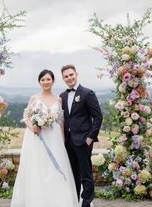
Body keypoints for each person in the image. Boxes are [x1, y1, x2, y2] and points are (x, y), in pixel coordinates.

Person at [11, 69, 78, 207]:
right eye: (43, 80)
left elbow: (61, 122)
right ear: (39, 82)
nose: (45, 82)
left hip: (54, 140)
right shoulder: (34, 98)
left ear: (53, 81)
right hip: (37, 139)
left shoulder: (58, 99)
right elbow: (26, 117)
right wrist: (33, 127)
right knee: (38, 169)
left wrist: (63, 141)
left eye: (48, 79)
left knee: (54, 171)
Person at [60, 64, 103, 207]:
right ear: (63, 78)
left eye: (71, 74)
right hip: (68, 141)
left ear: (76, 74)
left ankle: (86, 202)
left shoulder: (87, 93)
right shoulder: (62, 96)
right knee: (73, 173)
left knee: (86, 174)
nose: (69, 78)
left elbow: (98, 117)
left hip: (84, 140)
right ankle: (75, 200)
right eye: (66, 76)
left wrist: (90, 137)